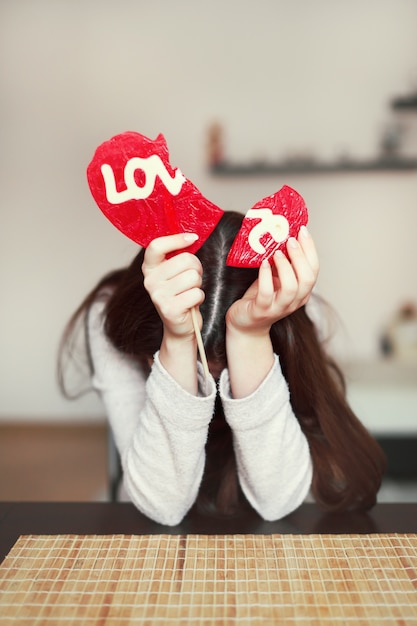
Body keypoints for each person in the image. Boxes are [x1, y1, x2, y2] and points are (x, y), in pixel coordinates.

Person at [58, 211, 386, 525]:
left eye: (219, 374)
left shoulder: (284, 307)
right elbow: (163, 504)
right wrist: (176, 345)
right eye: (204, 373)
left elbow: (278, 500)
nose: (212, 388)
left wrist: (250, 337)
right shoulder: (112, 314)